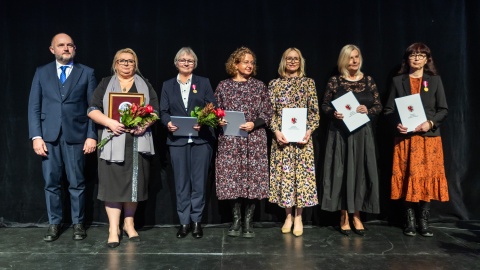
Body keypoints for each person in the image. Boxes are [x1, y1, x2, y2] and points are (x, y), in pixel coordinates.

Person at [28, 33, 97, 242]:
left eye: (69, 45)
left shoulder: (87, 73)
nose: (65, 48)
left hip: (76, 136)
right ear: (52, 49)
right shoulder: (42, 72)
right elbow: (34, 107)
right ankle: (54, 223)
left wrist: (91, 135)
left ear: (74, 48)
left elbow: (93, 107)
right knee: (51, 182)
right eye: (61, 45)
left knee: (77, 182)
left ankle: (78, 224)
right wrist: (36, 137)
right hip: (48, 137)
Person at [87, 48, 158, 248]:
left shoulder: (145, 85)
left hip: (137, 142)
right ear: (115, 63)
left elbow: (155, 111)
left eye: (131, 61)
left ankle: (129, 223)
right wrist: (110, 122)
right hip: (112, 140)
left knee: (134, 186)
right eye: (122, 61)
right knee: (112, 186)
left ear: (135, 64)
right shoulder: (104, 83)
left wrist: (143, 125)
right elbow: (92, 109)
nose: (127, 64)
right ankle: (113, 228)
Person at [384, 42, 448, 237]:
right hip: (406, 140)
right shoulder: (398, 81)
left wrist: (430, 123)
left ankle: (424, 220)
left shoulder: (434, 80)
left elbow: (443, 110)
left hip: (429, 139)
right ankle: (409, 220)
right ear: (407, 59)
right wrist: (397, 124)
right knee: (407, 177)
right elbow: (388, 111)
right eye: (413, 55)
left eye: (421, 55)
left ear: (427, 59)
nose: (417, 58)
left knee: (426, 178)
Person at [320, 44, 381, 236]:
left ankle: (357, 215)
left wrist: (368, 110)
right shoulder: (335, 81)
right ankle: (344, 215)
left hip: (362, 133)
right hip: (341, 134)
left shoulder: (369, 80)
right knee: (342, 173)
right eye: (350, 57)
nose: (354, 61)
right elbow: (324, 105)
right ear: (343, 60)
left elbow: (379, 105)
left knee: (360, 172)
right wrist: (334, 113)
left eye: (356, 57)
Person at [215, 47, 273, 238]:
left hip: (254, 139)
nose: (249, 65)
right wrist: (219, 120)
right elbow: (216, 111)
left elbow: (268, 113)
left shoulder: (259, 86)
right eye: (245, 62)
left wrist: (253, 123)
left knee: (252, 180)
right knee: (233, 180)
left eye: (252, 62)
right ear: (235, 64)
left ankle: (249, 221)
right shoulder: (223, 86)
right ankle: (236, 220)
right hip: (230, 139)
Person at [160, 47, 216, 239]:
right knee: (182, 183)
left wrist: (204, 120)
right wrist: (167, 123)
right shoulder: (168, 85)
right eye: (182, 60)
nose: (186, 63)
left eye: (190, 61)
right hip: (177, 141)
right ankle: (184, 222)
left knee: (199, 183)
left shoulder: (204, 82)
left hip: (201, 141)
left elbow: (212, 106)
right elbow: (163, 111)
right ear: (176, 63)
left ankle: (197, 222)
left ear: (195, 64)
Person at [269, 47, 320, 237]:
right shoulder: (274, 84)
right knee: (285, 178)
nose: (292, 62)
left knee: (302, 179)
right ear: (283, 61)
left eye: (295, 59)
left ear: (301, 61)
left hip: (302, 141)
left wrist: (308, 131)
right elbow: (271, 113)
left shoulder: (309, 83)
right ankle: (288, 216)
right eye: (288, 59)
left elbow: (314, 112)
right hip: (282, 140)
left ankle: (299, 217)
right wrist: (276, 131)